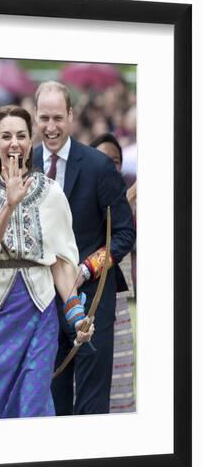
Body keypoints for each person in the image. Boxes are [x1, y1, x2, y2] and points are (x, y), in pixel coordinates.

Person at [0, 105, 94, 420]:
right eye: (7, 136)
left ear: (31, 141)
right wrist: (9, 205)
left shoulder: (51, 192)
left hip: (43, 310)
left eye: (21, 135)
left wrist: (77, 315)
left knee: (34, 396)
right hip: (2, 307)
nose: (15, 142)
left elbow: (61, 263)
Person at [33, 82, 136, 415]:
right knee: (50, 401)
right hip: (40, 302)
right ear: (35, 117)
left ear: (71, 116)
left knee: (91, 407)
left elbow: (123, 234)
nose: (51, 127)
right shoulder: (24, 165)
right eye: (44, 118)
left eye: (58, 118)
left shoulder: (98, 166)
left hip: (91, 298)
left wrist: (87, 268)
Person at [90, 133, 136, 413]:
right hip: (86, 304)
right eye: (102, 161)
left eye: (115, 162)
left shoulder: (125, 206)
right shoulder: (83, 202)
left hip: (119, 310)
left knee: (119, 387)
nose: (109, 167)